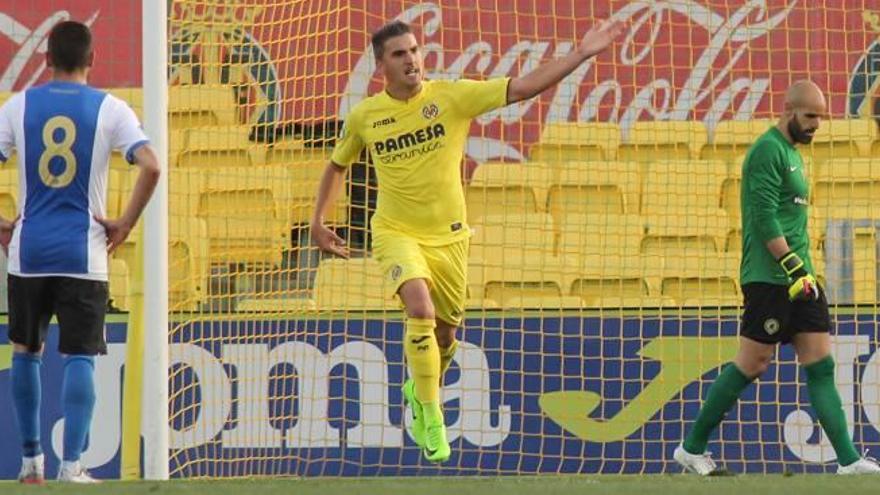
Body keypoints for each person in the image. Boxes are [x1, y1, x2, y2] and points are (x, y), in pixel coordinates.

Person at [311, 19, 623, 463]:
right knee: (420, 307)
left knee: (445, 334)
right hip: (396, 231)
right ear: (381, 65)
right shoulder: (366, 116)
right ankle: (432, 414)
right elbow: (337, 164)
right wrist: (318, 219)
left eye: (415, 50)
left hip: (450, 238)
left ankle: (421, 393)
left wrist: (580, 53)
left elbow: (521, 87)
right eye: (399, 54)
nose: (411, 59)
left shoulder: (452, 97)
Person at [674, 80, 880, 475]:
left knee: (820, 364)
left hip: (802, 276)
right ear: (788, 110)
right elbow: (764, 217)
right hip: (771, 278)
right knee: (753, 362)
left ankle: (849, 461)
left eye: (821, 116)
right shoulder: (767, 150)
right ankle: (691, 448)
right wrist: (793, 268)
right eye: (810, 116)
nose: (817, 124)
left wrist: (805, 272)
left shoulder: (792, 153)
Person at [0, 21, 160, 483]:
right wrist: (126, 222)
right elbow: (151, 164)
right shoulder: (110, 108)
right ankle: (72, 466)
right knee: (80, 357)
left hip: (27, 252)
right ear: (93, 61)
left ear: (45, 60)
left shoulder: (19, 105)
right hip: (83, 253)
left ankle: (30, 463)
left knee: (25, 352)